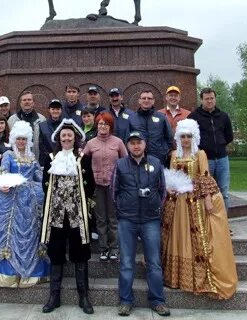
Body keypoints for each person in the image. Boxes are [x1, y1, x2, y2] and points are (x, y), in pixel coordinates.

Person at [162, 119, 238, 300]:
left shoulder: (200, 154)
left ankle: (197, 278)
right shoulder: (174, 154)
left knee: (194, 237)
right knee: (176, 236)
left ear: (194, 137)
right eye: (182, 136)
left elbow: (205, 177)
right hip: (175, 203)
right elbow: (171, 176)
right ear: (178, 138)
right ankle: (175, 278)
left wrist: (208, 199)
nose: (186, 139)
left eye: (188, 136)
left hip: (193, 203)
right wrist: (168, 187)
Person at [0, 120, 49, 287]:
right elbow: (2, 172)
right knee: (5, 232)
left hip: (28, 201)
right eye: (18, 139)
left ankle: (29, 272)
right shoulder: (8, 155)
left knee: (28, 234)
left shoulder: (31, 157)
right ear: (14, 139)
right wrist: (2, 183)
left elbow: (38, 176)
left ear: (27, 140)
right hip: (9, 198)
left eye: (24, 139)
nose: (21, 142)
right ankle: (4, 274)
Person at [112, 131, 170, 317]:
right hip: (127, 219)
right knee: (127, 263)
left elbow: (162, 190)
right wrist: (122, 209)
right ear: (128, 146)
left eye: (139, 142)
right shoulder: (120, 164)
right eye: (132, 143)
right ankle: (125, 301)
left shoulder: (155, 163)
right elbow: (114, 191)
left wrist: (155, 207)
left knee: (153, 262)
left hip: (150, 220)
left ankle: (157, 301)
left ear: (144, 144)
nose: (136, 146)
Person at [41, 119, 96, 314]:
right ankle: (54, 296)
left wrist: (81, 204)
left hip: (77, 213)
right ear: (59, 138)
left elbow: (90, 183)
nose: (66, 138)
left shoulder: (83, 158)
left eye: (69, 135)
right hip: (56, 214)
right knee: (56, 252)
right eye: (63, 135)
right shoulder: (50, 158)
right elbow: (45, 184)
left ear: (75, 138)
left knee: (80, 252)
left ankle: (84, 296)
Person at [83, 111, 127, 261]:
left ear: (111, 126)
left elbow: (126, 162)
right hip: (97, 186)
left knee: (113, 218)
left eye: (106, 124)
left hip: (114, 186)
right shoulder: (90, 143)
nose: (103, 126)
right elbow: (83, 163)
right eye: (101, 123)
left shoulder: (118, 142)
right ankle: (103, 248)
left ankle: (114, 248)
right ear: (96, 125)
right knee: (101, 218)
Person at [189, 88, 234, 209]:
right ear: (201, 100)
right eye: (206, 99)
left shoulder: (223, 116)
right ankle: (208, 225)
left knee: (223, 192)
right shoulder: (193, 117)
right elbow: (189, 138)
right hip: (205, 160)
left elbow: (229, 136)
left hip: (222, 159)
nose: (209, 101)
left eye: (212, 98)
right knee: (206, 192)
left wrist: (220, 144)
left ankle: (224, 225)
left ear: (215, 99)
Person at [128, 90, 174, 168]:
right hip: (138, 158)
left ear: (153, 101)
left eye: (149, 98)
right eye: (144, 98)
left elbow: (169, 137)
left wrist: (164, 152)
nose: (146, 100)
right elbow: (128, 138)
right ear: (139, 101)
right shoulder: (132, 118)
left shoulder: (161, 117)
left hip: (159, 158)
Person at [8, 91, 46, 158]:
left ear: (33, 102)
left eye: (29, 100)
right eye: (24, 100)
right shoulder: (12, 120)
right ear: (20, 103)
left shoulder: (42, 120)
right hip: (17, 161)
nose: (27, 102)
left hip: (36, 160)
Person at [38, 99, 64, 167]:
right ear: (49, 110)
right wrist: (51, 156)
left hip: (63, 160)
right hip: (47, 161)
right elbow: (41, 144)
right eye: (53, 109)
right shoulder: (42, 125)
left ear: (61, 110)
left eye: (58, 109)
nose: (55, 111)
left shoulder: (66, 125)